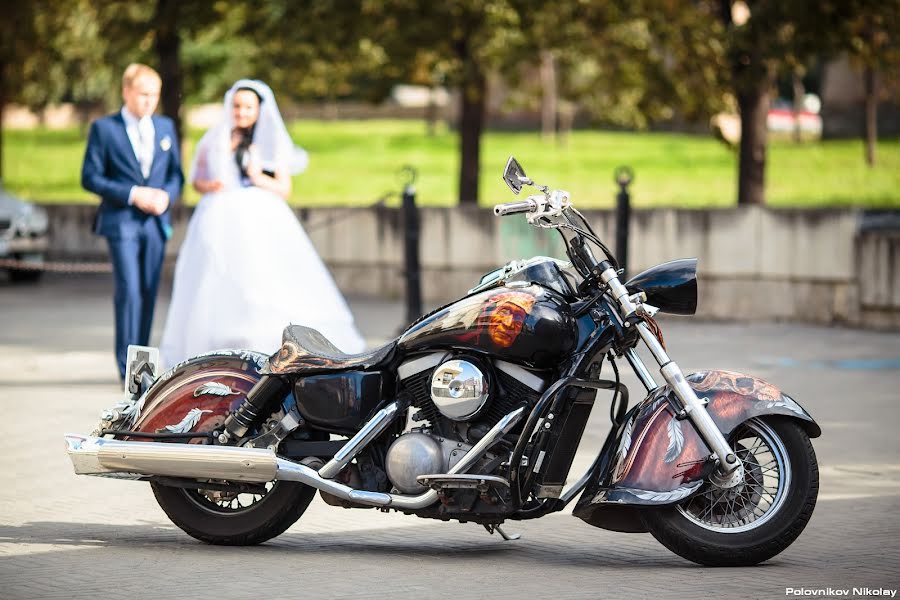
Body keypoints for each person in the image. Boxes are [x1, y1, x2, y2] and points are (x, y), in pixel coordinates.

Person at [159, 79, 365, 367]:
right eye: (237, 106)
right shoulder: (214, 138)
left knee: (263, 275)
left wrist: (257, 177)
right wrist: (211, 185)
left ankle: (263, 342)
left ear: (258, 111)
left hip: (259, 215)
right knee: (216, 277)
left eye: (247, 107)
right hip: (218, 215)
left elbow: (283, 188)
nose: (241, 112)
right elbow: (197, 180)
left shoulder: (268, 141)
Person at [81, 63, 184, 381]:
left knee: (150, 290)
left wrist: (166, 195)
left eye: (154, 95)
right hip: (121, 220)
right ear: (126, 92)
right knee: (129, 290)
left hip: (155, 224)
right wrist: (133, 193)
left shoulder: (165, 127)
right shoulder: (104, 128)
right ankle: (126, 368)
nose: (149, 101)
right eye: (142, 94)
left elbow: (175, 175)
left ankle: (143, 366)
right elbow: (90, 177)